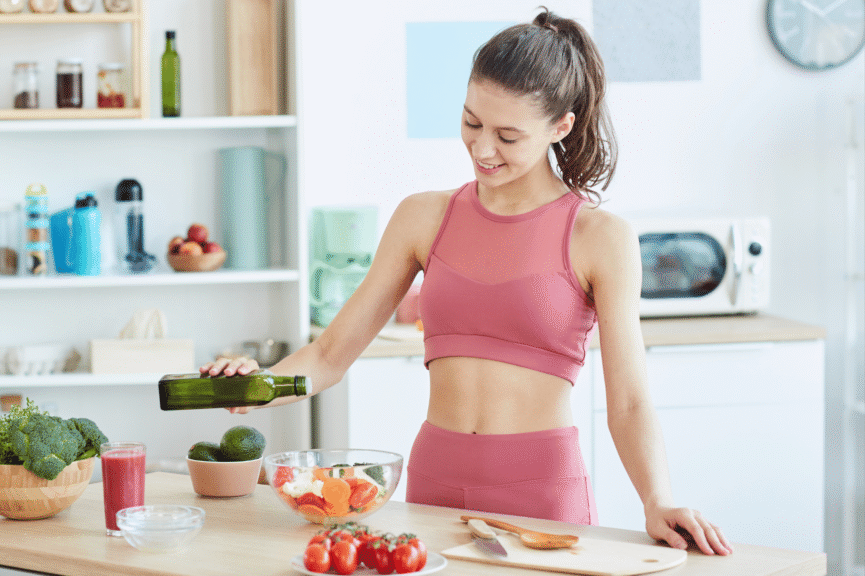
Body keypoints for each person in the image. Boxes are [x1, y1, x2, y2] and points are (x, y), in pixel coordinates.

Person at [201, 8, 732, 556]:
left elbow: (629, 400)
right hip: (435, 486)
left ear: (560, 127)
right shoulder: (423, 216)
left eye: (507, 135)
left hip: (542, 493)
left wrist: (657, 499)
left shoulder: (600, 237)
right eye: (471, 122)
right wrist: (255, 387)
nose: (482, 149)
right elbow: (330, 355)